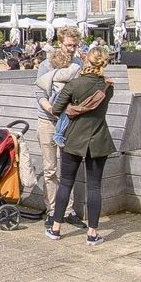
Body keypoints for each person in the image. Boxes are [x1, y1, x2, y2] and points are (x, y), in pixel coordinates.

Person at [48, 47, 116, 242]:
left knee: (66, 183)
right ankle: (92, 233)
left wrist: (73, 108)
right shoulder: (107, 87)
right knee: (94, 187)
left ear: (87, 61)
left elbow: (56, 109)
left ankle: (56, 228)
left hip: (74, 139)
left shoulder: (74, 84)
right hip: (98, 138)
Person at [32, 35, 82, 212]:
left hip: (70, 121)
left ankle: (68, 210)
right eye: (68, 45)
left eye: (75, 45)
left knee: (68, 169)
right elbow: (39, 93)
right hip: (48, 121)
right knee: (50, 169)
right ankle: (52, 210)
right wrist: (53, 110)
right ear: (60, 43)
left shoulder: (78, 64)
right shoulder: (46, 64)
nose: (72, 48)